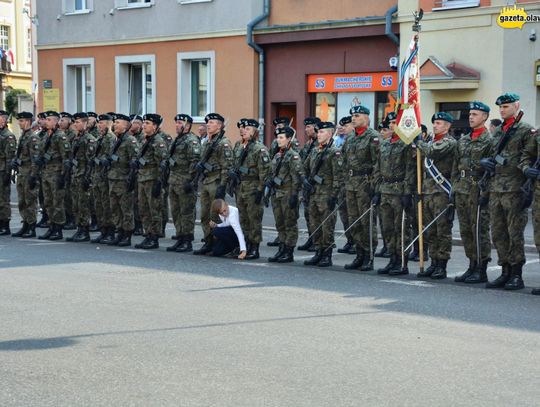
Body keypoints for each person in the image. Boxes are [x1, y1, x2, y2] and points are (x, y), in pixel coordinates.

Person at [481, 93, 532, 290]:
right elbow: (490, 155)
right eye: (500, 107)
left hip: (514, 189)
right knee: (498, 232)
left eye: (506, 106)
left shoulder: (525, 130)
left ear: (516, 106)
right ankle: (505, 270)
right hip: (495, 189)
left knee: (514, 233)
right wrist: (485, 162)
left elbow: (526, 158)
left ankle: (517, 274)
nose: (502, 110)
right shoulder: (499, 131)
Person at [452, 102, 492, 283]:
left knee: (479, 230)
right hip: (462, 189)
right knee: (466, 230)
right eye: (470, 114)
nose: (471, 117)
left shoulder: (489, 140)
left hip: (478, 189)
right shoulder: (464, 139)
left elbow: (492, 170)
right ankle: (471, 264)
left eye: (475, 114)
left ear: (484, 117)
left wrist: (487, 193)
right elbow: (455, 166)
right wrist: (454, 187)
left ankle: (481, 268)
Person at [415, 112, 457, 279]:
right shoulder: (430, 141)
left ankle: (442, 264)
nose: (435, 125)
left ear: (447, 126)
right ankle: (433, 262)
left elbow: (433, 152)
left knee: (442, 230)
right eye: (435, 123)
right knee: (430, 230)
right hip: (427, 191)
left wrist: (418, 142)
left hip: (442, 192)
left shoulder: (449, 142)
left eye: (439, 123)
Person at [374, 114, 415, 275]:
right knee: (387, 228)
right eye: (390, 123)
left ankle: (402, 262)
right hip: (385, 190)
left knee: (401, 228)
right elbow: (378, 168)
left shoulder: (406, 144)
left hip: (399, 191)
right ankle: (392, 258)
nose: (391, 125)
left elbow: (410, 170)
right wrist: (377, 190)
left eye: (394, 122)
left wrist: (407, 193)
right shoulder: (384, 144)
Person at [342, 106, 380, 271]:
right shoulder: (350, 137)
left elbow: (378, 164)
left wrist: (374, 186)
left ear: (366, 117)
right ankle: (359, 254)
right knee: (354, 221)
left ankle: (369, 256)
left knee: (366, 222)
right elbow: (344, 160)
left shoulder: (373, 137)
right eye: (352, 116)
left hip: (365, 184)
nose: (353, 119)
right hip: (351, 184)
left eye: (357, 116)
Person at [229, 118, 271, 260]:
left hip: (253, 188)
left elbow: (265, 173)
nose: (244, 131)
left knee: (254, 219)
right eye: (243, 128)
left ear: (255, 132)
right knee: (243, 218)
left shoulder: (260, 149)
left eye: (248, 129)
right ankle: (244, 245)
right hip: (240, 187)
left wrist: (260, 190)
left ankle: (255, 247)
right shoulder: (239, 146)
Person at [303, 121, 343, 267]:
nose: (319, 135)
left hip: (327, 194)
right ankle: (318, 251)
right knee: (315, 224)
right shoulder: (315, 150)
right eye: (318, 132)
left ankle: (327, 254)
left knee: (327, 226)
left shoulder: (334, 152)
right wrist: (305, 181)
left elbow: (338, 176)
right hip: (314, 193)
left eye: (322, 132)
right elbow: (305, 167)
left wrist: (334, 196)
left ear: (330, 133)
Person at [193, 113, 234, 255]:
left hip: (216, 182)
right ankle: (208, 241)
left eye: (211, 122)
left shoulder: (223, 143)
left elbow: (226, 167)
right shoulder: (208, 142)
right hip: (206, 181)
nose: (208, 125)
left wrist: (222, 186)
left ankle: (219, 243)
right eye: (208, 122)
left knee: (215, 216)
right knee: (204, 215)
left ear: (219, 125)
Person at [267, 126, 304, 263]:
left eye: (281, 137)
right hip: (277, 194)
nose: (278, 140)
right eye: (277, 137)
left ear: (289, 139)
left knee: (290, 223)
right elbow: (273, 174)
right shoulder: (277, 155)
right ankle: (282, 248)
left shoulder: (293, 156)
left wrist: (294, 195)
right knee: (280, 223)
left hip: (288, 193)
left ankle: (289, 251)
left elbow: (297, 178)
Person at [101, 114, 139, 246]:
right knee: (115, 208)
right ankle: (119, 231)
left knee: (125, 209)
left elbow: (134, 162)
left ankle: (127, 235)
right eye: (114, 122)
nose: (114, 124)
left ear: (125, 125)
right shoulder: (115, 140)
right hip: (112, 178)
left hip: (124, 180)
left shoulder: (130, 140)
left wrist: (131, 180)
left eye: (117, 122)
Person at [165, 113, 201, 253]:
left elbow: (195, 162)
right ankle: (180, 237)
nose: (177, 125)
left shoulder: (191, 140)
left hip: (185, 182)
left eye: (180, 123)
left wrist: (191, 181)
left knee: (186, 212)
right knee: (176, 212)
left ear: (188, 125)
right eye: (176, 123)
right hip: (174, 181)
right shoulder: (178, 140)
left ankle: (187, 240)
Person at [134, 114, 168, 250]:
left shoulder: (158, 142)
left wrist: (159, 182)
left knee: (154, 210)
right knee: (144, 209)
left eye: (147, 123)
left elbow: (162, 164)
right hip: (142, 179)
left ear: (155, 126)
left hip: (152, 180)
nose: (144, 125)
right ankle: (147, 234)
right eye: (144, 123)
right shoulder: (144, 140)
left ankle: (154, 237)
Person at [36, 111, 71, 240]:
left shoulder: (60, 136)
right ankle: (51, 226)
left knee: (57, 202)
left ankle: (58, 228)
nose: (46, 122)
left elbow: (66, 158)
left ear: (56, 122)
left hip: (56, 174)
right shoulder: (46, 136)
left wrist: (63, 176)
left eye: (49, 120)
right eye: (46, 120)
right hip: (46, 173)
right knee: (48, 202)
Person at [65, 112, 97, 242]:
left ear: (85, 123)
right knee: (76, 204)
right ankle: (79, 228)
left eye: (78, 122)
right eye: (75, 122)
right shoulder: (77, 138)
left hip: (83, 175)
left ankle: (84, 230)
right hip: (76, 174)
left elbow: (91, 161)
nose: (75, 124)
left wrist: (87, 178)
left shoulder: (89, 139)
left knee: (83, 204)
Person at [11, 112, 40, 238]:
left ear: (28, 121)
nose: (19, 123)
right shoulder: (23, 136)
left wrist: (34, 176)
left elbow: (35, 159)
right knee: (22, 201)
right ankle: (25, 224)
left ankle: (31, 226)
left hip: (29, 173)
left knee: (30, 201)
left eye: (21, 121)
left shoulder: (33, 138)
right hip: (22, 172)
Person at [90, 114, 116, 244]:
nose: (99, 126)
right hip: (97, 177)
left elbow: (109, 158)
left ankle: (110, 231)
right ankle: (103, 231)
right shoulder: (100, 138)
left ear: (109, 124)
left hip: (105, 178)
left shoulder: (111, 139)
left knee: (107, 206)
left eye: (102, 123)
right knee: (99, 205)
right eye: (99, 123)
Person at [298, 116, 320, 252]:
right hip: (307, 184)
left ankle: (319, 240)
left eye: (309, 127)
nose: (306, 130)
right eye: (305, 127)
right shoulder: (308, 144)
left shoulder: (321, 144)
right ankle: (312, 237)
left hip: (317, 185)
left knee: (316, 214)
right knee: (308, 214)